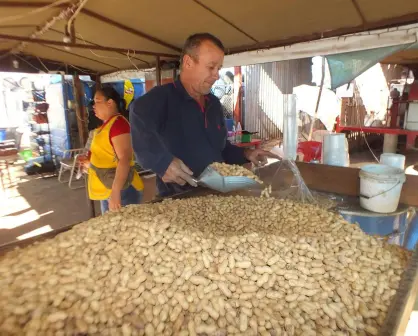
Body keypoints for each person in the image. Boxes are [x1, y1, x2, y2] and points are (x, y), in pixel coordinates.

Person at [130, 33, 275, 197]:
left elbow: (221, 149)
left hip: (216, 195)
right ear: (188, 62)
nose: (216, 75)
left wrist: (246, 154)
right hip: (178, 198)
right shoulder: (164, 98)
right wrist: (162, 163)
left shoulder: (213, 103)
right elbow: (138, 113)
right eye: (211, 67)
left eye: (218, 68)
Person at [80, 86, 144, 213]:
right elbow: (107, 157)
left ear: (110, 103)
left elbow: (124, 159)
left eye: (97, 101)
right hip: (108, 187)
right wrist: (90, 164)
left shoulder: (118, 124)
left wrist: (115, 193)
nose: (93, 106)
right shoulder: (106, 125)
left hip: (121, 190)